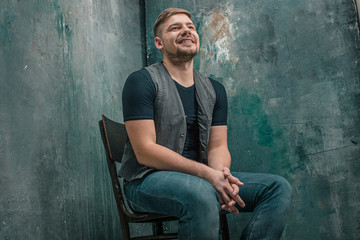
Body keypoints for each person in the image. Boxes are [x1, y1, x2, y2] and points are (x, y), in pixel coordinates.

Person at [119, 8, 293, 240]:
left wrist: (222, 176)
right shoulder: (141, 81)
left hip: (203, 180)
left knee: (277, 188)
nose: (186, 31)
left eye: (190, 27)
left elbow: (217, 147)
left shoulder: (215, 89)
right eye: (175, 28)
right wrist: (208, 176)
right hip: (145, 182)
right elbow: (145, 152)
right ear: (159, 43)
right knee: (200, 192)